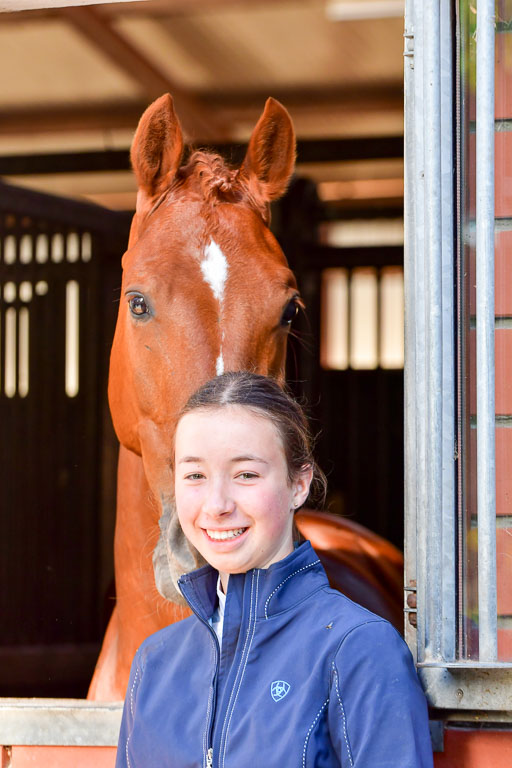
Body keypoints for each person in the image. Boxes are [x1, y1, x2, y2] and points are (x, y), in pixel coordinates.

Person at [116, 372, 433, 768]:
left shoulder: (359, 647)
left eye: (246, 475)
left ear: (298, 484)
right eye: (195, 475)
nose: (216, 505)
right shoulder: (154, 663)